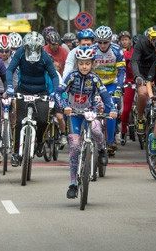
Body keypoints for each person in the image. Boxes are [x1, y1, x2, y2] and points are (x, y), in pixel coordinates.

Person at [58, 46, 116, 199]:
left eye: (88, 63)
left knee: (97, 130)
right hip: (74, 114)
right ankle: (72, 184)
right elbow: (58, 93)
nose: (84, 66)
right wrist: (65, 106)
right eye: (81, 63)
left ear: (92, 64)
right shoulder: (71, 76)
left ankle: (102, 149)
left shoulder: (95, 78)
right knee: (75, 147)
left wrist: (112, 108)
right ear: (77, 63)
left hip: (90, 111)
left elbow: (105, 96)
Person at [5, 31, 61, 167]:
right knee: (18, 121)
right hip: (23, 90)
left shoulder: (45, 57)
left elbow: (53, 75)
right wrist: (9, 86)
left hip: (41, 91)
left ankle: (40, 142)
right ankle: (15, 153)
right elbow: (10, 70)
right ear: (25, 48)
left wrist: (54, 92)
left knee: (43, 120)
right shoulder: (19, 53)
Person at [91, 25, 125, 150]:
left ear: (110, 40)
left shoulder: (117, 50)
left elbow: (121, 71)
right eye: (99, 42)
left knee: (111, 108)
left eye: (105, 42)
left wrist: (119, 87)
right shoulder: (92, 50)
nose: (102, 45)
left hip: (111, 84)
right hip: (96, 84)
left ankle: (110, 140)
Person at [129, 26, 156, 135]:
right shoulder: (141, 44)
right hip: (143, 74)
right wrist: (137, 76)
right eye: (154, 38)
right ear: (149, 38)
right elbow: (134, 61)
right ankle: (140, 118)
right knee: (142, 93)